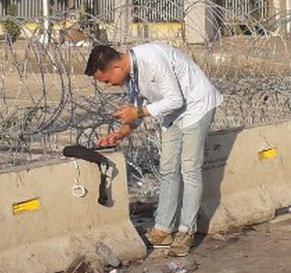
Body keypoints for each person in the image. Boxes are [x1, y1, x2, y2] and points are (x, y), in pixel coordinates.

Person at [86, 43, 222, 257]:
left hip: (196, 106)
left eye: (106, 80)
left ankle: (186, 231)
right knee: (168, 169)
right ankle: (163, 229)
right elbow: (137, 110)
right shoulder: (130, 76)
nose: (108, 85)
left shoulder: (152, 60)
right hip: (173, 115)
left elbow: (175, 99)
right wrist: (121, 133)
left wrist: (139, 111)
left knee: (189, 169)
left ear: (117, 68)